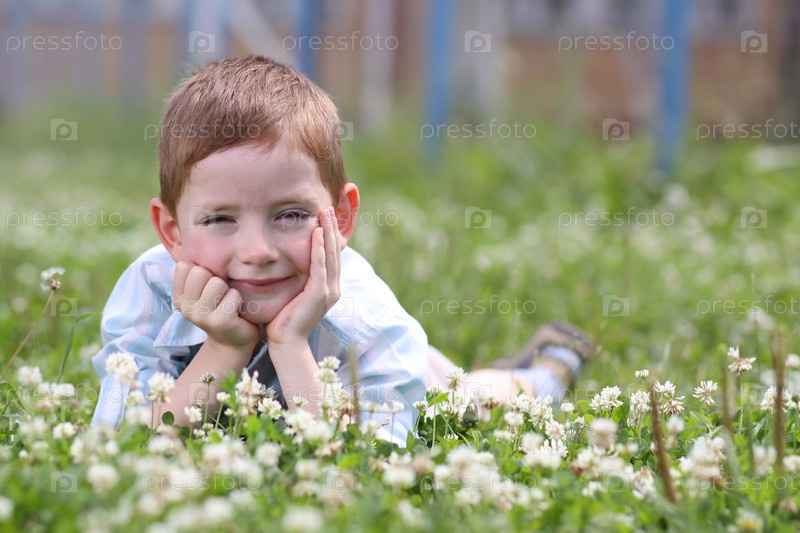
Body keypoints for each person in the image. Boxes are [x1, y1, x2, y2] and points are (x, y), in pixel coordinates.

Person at [91, 55, 593, 445]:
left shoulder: (370, 321)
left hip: (405, 373)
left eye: (290, 214)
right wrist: (224, 349)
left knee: (466, 401)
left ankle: (544, 372)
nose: (258, 251)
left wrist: (290, 345)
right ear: (173, 231)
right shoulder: (151, 291)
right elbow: (123, 440)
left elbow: (365, 462)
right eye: (221, 219)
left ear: (342, 217)